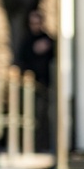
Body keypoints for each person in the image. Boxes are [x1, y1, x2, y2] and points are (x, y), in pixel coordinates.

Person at [15, 9, 55, 153]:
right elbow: (21, 61)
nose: (35, 25)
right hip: (30, 86)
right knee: (30, 117)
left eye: (38, 22)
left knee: (45, 116)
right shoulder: (26, 41)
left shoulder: (48, 39)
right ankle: (28, 146)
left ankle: (43, 145)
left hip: (46, 84)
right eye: (33, 23)